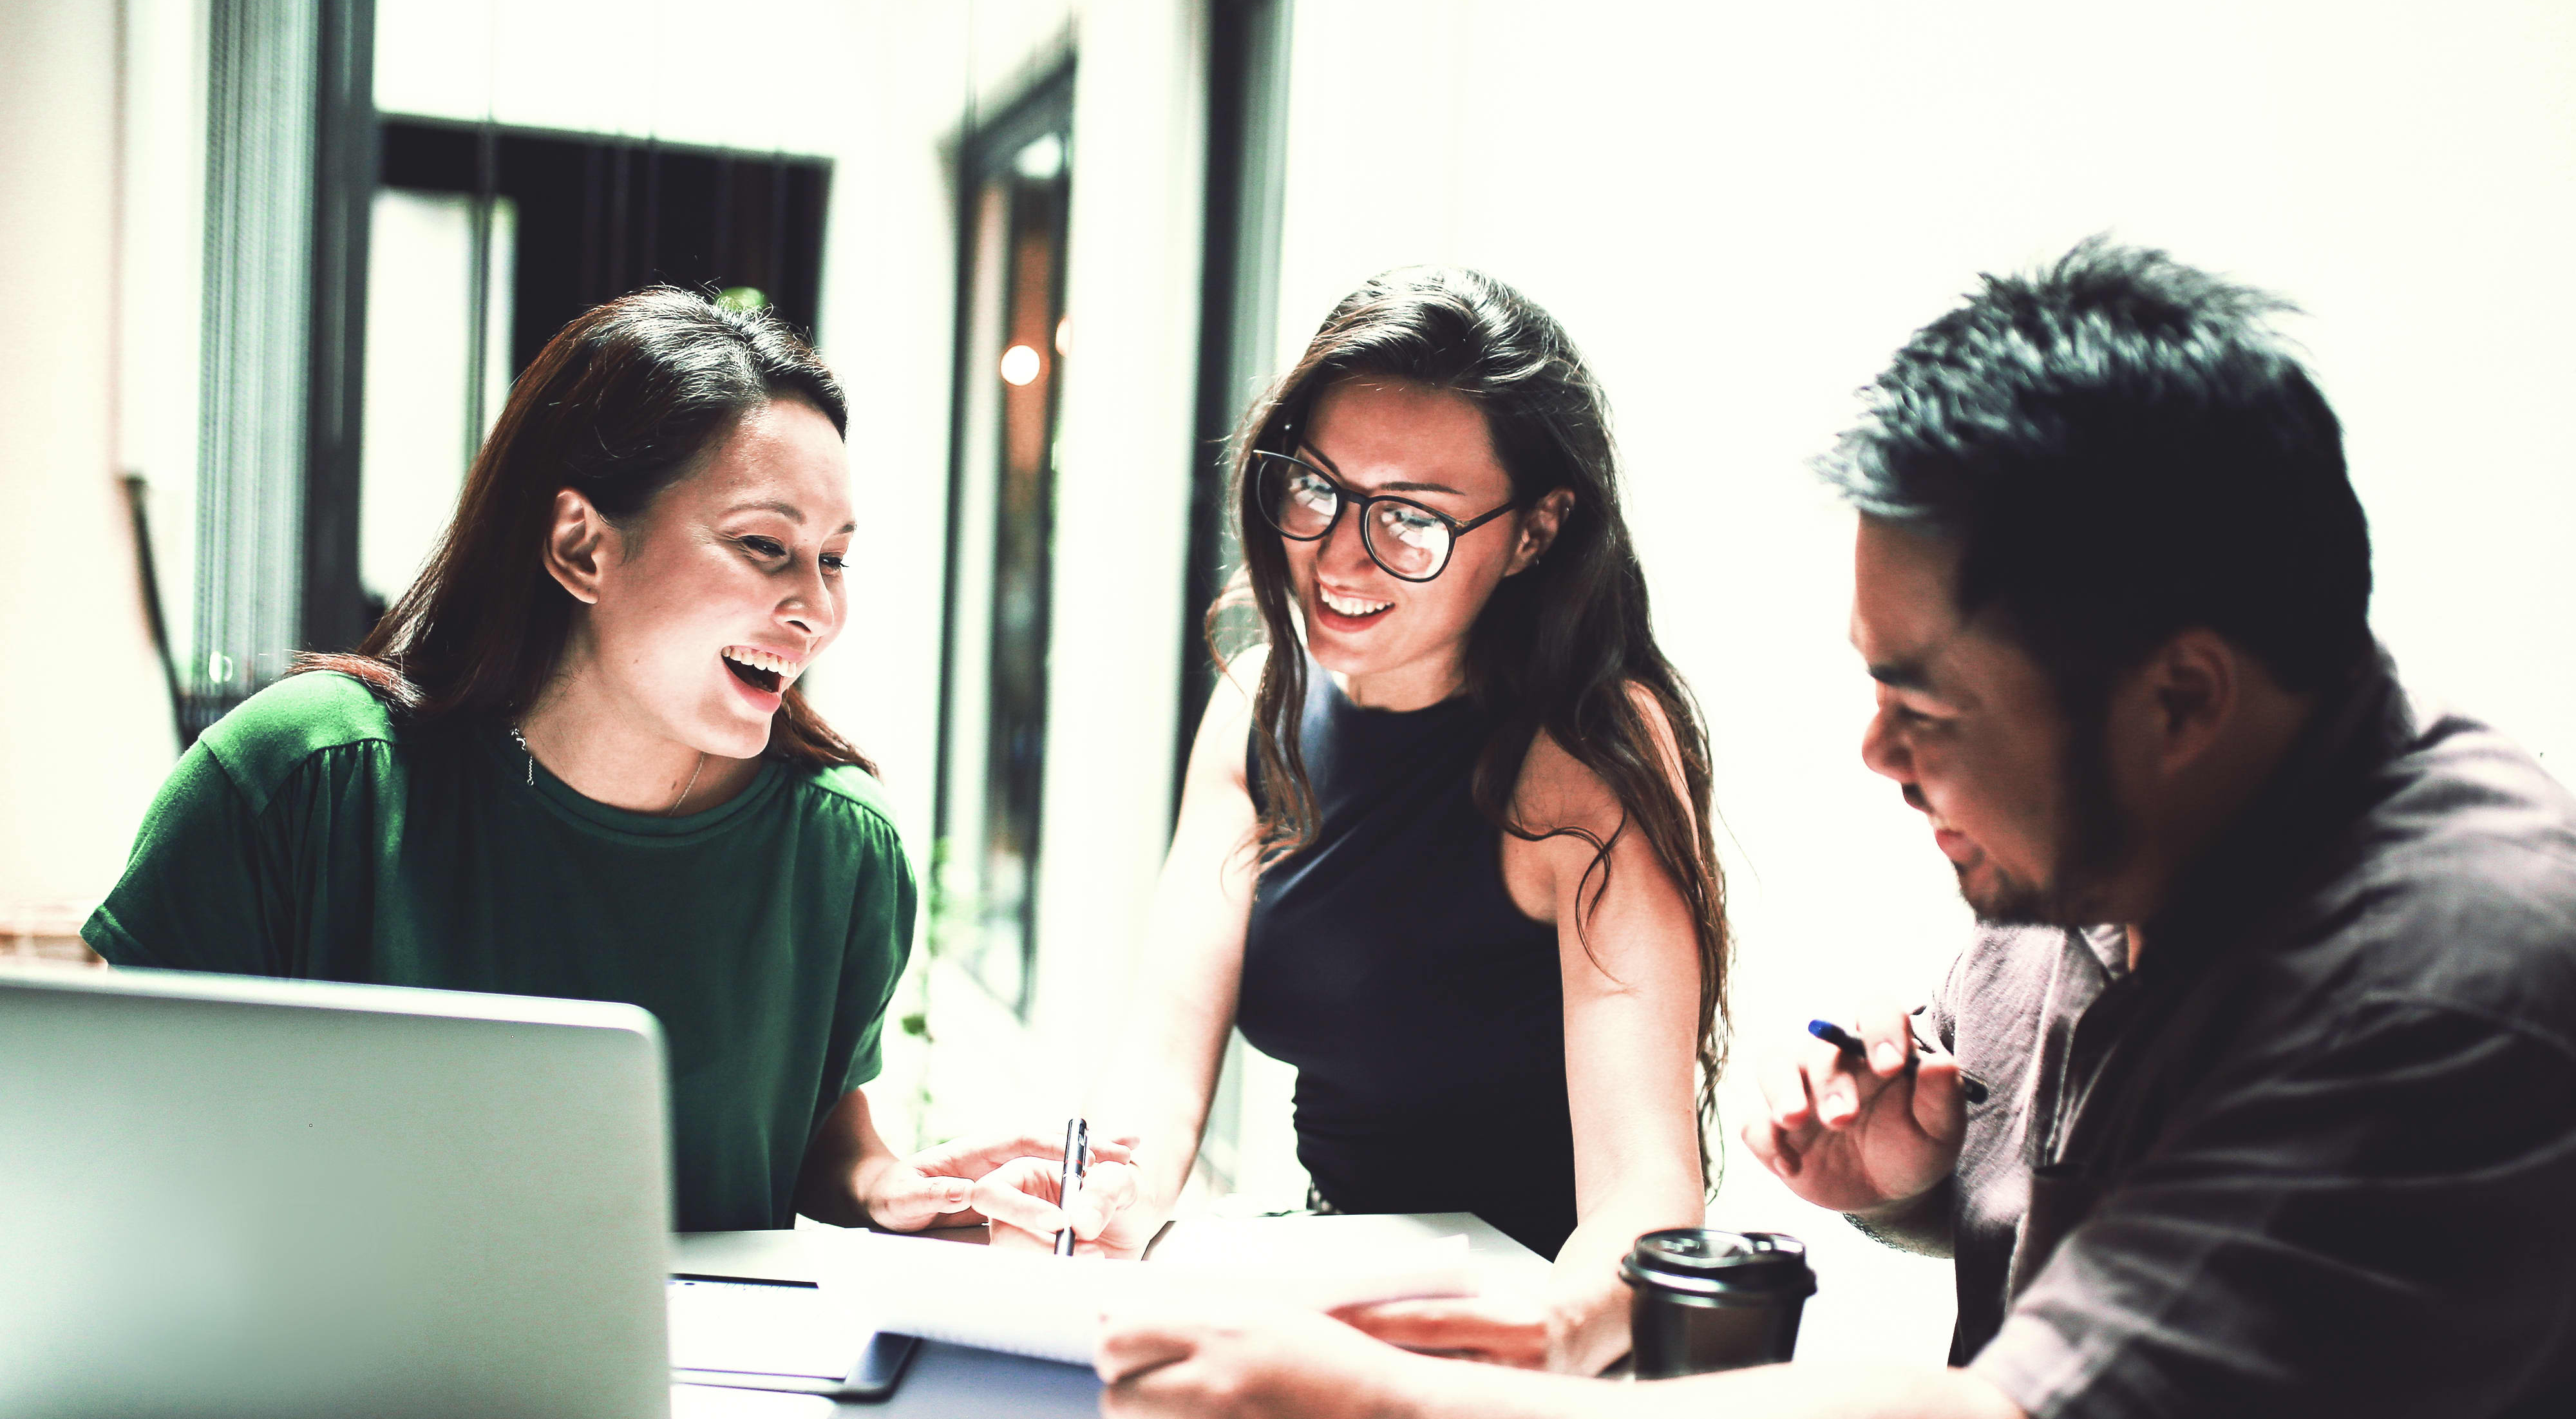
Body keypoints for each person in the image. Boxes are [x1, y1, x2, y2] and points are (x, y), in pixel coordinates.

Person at [1086, 241, 2576, 1417]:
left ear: (2174, 698)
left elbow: (2014, 1407)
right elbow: (2020, 1194)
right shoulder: (2132, 846)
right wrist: (1909, 1177)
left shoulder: (2450, 979)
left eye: (1922, 709)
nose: (1873, 754)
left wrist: (1400, 1405)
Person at [83, 287, 1127, 1235]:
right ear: (583, 546)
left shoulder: (839, 849)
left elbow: (812, 1141)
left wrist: (891, 1184)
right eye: (767, 546)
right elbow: (107, 1147)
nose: (816, 607)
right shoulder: (295, 785)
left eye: (836, 557)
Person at [978, 267, 1728, 1375]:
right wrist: (1096, 1199)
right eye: (1315, 488)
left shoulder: (1585, 756)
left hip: (1543, 1332)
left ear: (1534, 532)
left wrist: (1522, 1347)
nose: (1336, 558)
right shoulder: (1257, 707)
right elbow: (1158, 1073)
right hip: (1338, 1286)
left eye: (1410, 520)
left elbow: (1648, 1195)